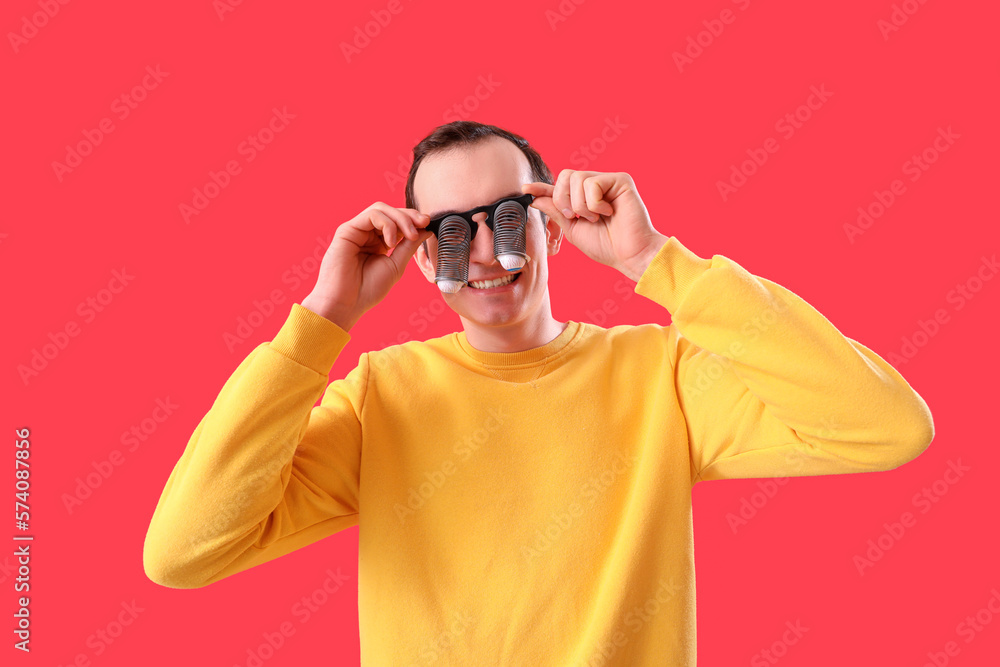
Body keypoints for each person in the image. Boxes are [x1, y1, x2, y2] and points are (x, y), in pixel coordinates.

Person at [143, 121, 935, 665]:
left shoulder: (661, 377)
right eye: (453, 229)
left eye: (509, 216)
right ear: (420, 256)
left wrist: (656, 260)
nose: (487, 250)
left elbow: (886, 427)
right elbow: (183, 552)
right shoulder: (382, 399)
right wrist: (322, 320)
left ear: (552, 226)